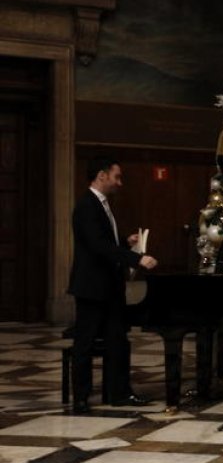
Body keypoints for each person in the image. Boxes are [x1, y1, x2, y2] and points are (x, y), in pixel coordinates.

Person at [68, 157, 157, 414]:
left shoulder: (103, 205)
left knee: (118, 340)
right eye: (116, 177)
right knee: (84, 344)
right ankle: (81, 398)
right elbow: (97, 246)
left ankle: (120, 393)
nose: (120, 183)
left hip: (109, 287)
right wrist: (137, 258)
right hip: (92, 287)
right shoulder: (87, 206)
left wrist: (126, 244)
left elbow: (106, 244)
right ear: (101, 175)